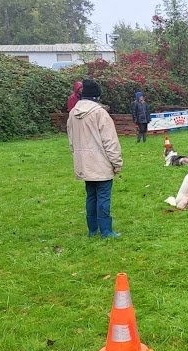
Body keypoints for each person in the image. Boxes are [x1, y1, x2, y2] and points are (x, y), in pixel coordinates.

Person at [67, 79, 123, 238]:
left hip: (83, 164)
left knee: (91, 196)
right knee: (103, 197)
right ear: (97, 97)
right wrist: (117, 163)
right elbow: (110, 141)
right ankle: (106, 231)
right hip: (101, 164)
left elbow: (71, 140)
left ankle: (92, 230)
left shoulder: (72, 113)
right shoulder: (100, 113)